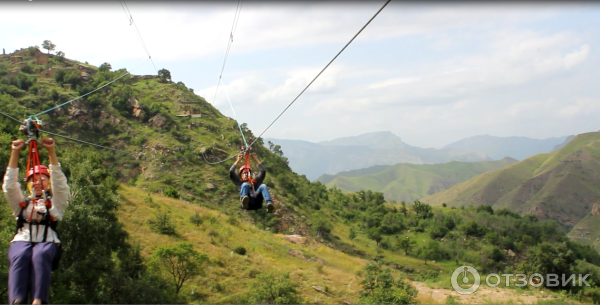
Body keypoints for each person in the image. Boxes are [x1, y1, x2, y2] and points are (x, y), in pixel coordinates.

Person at [3, 138, 70, 304]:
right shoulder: (22, 204)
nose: (38, 182)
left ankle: (38, 300)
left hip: (47, 242)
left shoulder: (55, 204)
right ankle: (17, 299)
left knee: (40, 254)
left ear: (48, 184)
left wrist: (51, 152)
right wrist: (15, 152)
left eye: (43, 179)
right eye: (34, 179)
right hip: (23, 240)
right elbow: (10, 186)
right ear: (29, 184)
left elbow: (60, 184)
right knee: (21, 254)